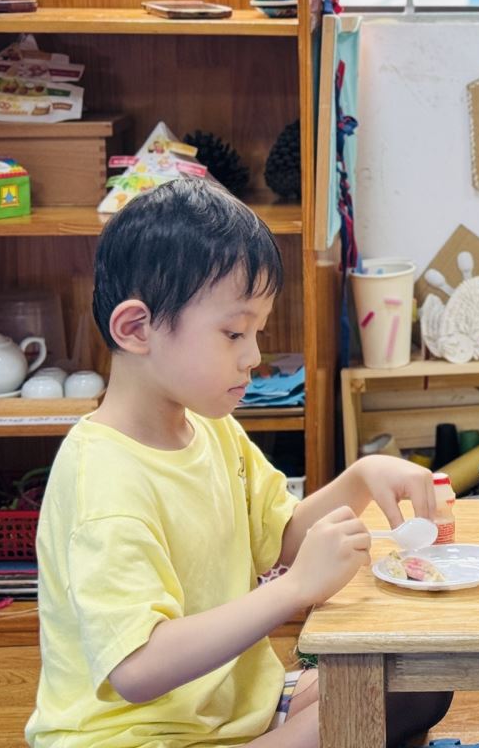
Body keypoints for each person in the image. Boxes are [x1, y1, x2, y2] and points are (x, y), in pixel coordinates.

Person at [27, 179, 452, 747]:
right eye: (233, 333)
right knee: (370, 708)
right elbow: (136, 669)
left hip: (232, 711)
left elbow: (281, 539)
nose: (253, 356)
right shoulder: (101, 481)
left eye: (256, 332)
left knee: (419, 682)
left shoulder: (209, 426)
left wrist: (359, 479)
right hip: (135, 737)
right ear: (136, 329)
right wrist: (294, 589)